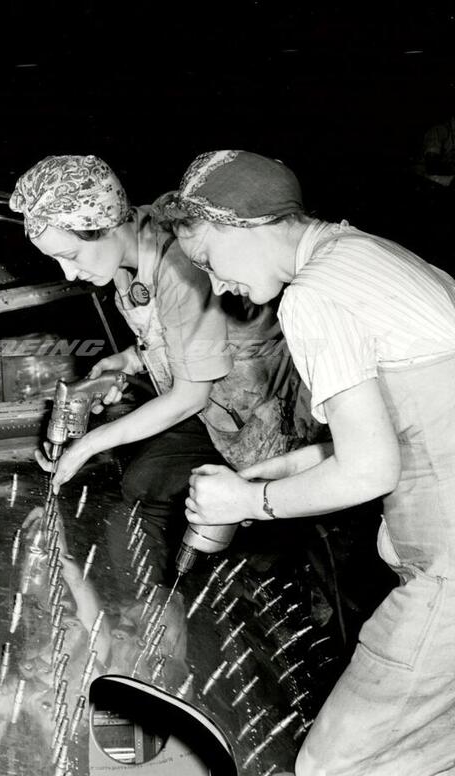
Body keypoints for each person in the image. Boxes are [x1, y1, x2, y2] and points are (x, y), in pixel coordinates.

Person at [165, 150, 455, 776]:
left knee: (334, 765)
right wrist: (288, 469)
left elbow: (370, 471)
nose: (216, 286)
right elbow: (412, 430)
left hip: (449, 577)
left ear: (246, 224)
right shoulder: (372, 255)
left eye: (209, 260)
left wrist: (249, 503)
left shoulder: (314, 295)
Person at [9, 155, 306, 569]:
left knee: (256, 553)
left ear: (107, 226)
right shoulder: (125, 255)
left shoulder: (179, 263)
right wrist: (129, 360)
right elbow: (180, 333)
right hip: (219, 414)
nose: (69, 273)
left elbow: (190, 395)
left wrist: (88, 445)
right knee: (142, 482)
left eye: (72, 254)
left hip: (270, 426)